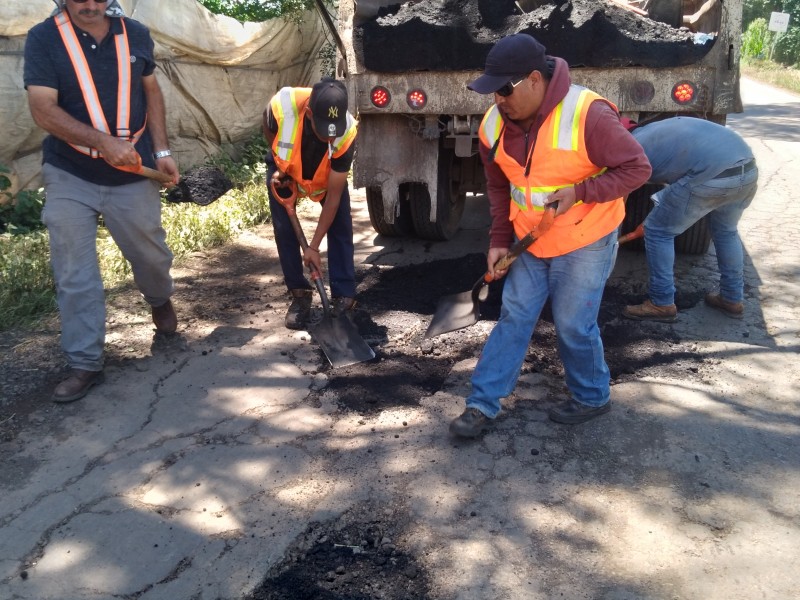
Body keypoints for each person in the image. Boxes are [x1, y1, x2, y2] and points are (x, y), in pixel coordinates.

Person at [449, 33, 651, 438]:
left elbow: (637, 168)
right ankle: (481, 403)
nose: (498, 100)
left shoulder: (587, 114)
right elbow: (499, 186)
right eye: (493, 91)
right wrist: (498, 239)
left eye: (505, 89)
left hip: (585, 239)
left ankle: (592, 396)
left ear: (535, 79)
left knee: (574, 324)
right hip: (532, 240)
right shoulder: (492, 126)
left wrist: (581, 192)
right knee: (514, 316)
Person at [23, 0, 179, 403]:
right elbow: (42, 109)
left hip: (133, 171)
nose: (90, 4)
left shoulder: (136, 34)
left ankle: (159, 299)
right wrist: (102, 143)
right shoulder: (43, 39)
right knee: (74, 270)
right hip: (69, 172)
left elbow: (152, 92)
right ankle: (85, 361)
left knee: (151, 256)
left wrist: (161, 152)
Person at [622, 116, 757, 322]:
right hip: (747, 170)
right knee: (726, 231)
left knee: (658, 232)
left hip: (713, 175)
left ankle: (661, 303)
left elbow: (620, 194)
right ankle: (731, 298)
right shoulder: (660, 130)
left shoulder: (631, 148)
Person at [262, 77, 359, 330]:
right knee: (284, 230)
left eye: (333, 131)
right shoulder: (282, 106)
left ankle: (344, 296)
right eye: (322, 128)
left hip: (325, 175)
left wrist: (314, 246)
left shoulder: (346, 133)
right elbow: (268, 128)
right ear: (309, 112)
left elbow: (334, 198)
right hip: (286, 170)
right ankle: (300, 295)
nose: (329, 138)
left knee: (340, 225)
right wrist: (280, 164)